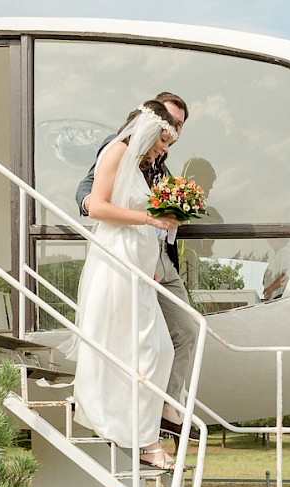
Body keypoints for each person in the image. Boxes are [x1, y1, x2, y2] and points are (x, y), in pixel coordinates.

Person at [76, 92, 199, 441]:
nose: (171, 140)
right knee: (143, 344)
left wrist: (176, 213)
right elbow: (91, 194)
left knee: (178, 335)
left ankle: (162, 409)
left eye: (177, 132)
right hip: (123, 254)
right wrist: (132, 216)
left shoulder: (157, 163)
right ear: (152, 121)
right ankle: (137, 422)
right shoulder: (116, 148)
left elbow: (155, 204)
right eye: (168, 130)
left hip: (154, 259)